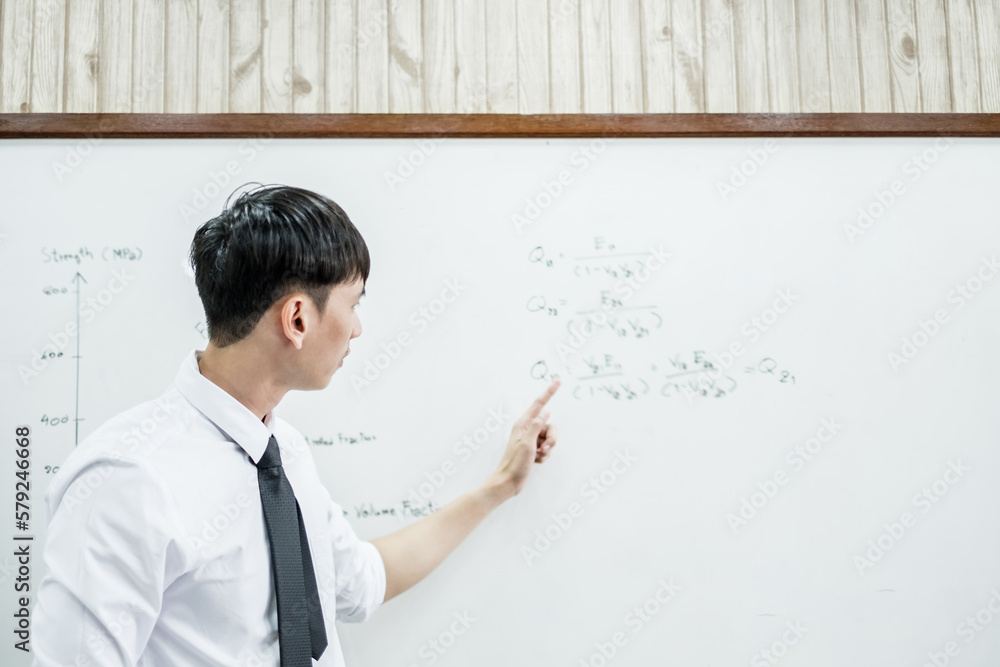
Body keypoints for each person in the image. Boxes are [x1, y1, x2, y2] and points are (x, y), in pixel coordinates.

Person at [32, 184, 560, 666]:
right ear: (298, 319)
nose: (358, 329)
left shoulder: (283, 454)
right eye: (353, 305)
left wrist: (500, 487)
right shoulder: (127, 479)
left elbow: (362, 582)